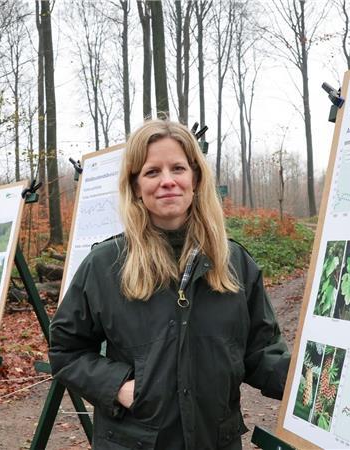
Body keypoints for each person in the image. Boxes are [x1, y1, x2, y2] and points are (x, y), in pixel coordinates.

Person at [49, 119, 290, 449]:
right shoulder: (105, 265)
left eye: (178, 168)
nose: (167, 181)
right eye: (152, 172)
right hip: (134, 442)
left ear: (195, 179)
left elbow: (261, 352)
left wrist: (310, 387)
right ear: (136, 186)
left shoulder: (234, 263)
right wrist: (118, 386)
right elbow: (66, 350)